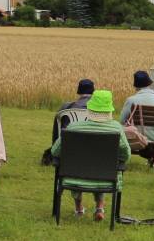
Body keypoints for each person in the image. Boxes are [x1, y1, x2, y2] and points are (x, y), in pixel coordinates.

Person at [49, 89, 129, 221]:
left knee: (76, 165)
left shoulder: (73, 127)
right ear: (109, 110)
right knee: (102, 165)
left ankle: (79, 208)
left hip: (73, 178)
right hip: (106, 179)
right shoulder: (116, 128)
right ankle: (99, 208)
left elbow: (55, 151)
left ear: (90, 108)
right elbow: (126, 155)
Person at [42, 78, 98, 163]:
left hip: (69, 144)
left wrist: (55, 146)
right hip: (92, 146)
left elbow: (57, 129)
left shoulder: (66, 107)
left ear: (79, 90)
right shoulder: (99, 110)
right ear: (93, 91)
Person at [120, 70, 154, 151]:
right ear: (149, 83)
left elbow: (122, 120)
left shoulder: (131, 100)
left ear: (136, 86)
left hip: (135, 137)